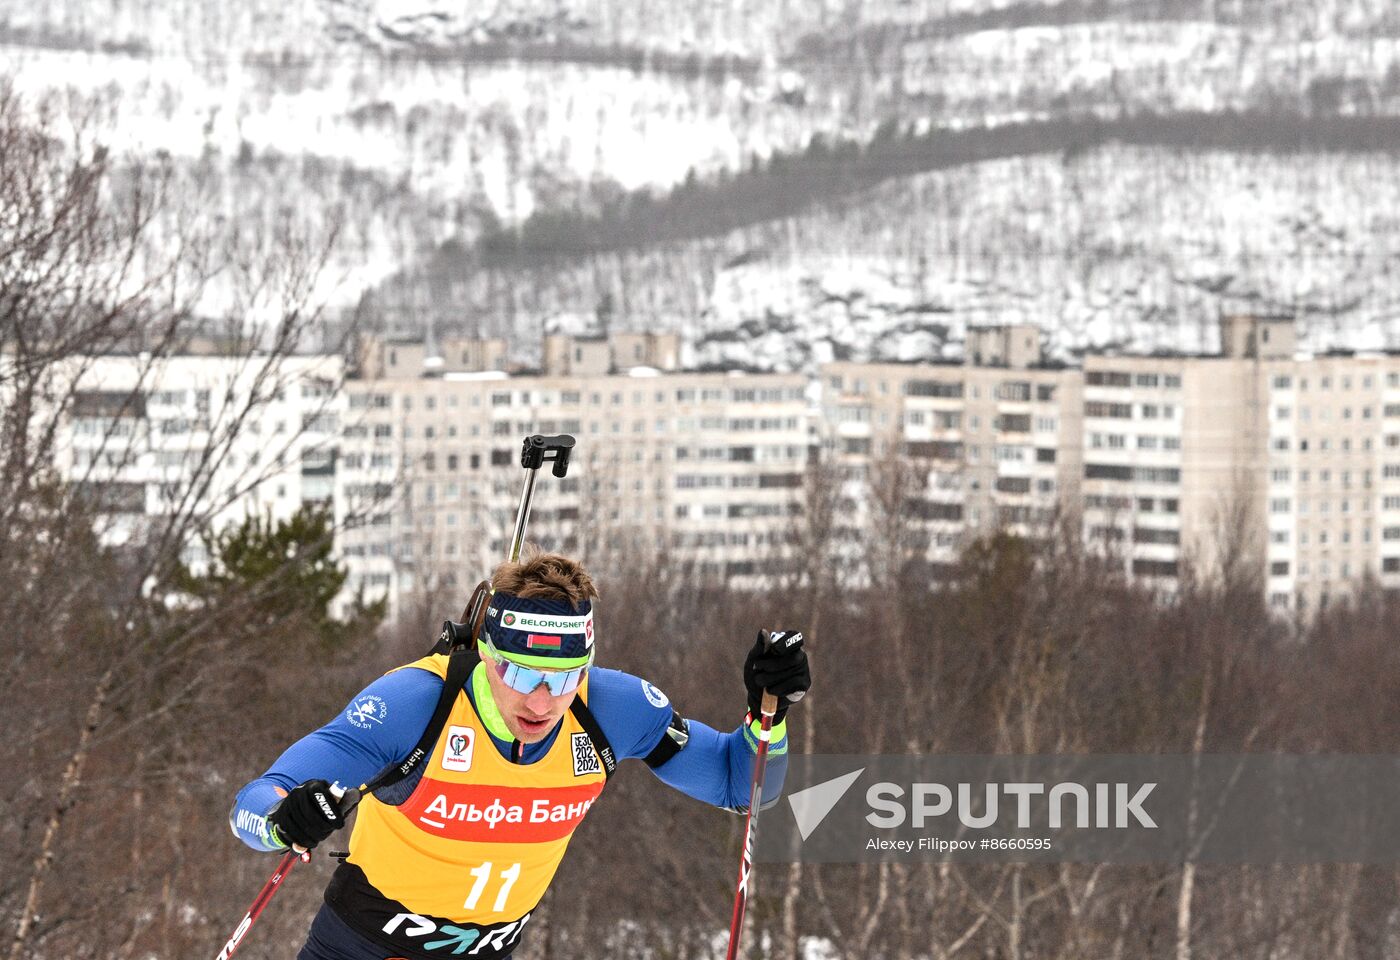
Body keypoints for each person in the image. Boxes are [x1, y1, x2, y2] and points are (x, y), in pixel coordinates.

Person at [230, 551, 811, 960]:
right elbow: (253, 806)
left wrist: (768, 714)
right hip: (365, 946)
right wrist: (286, 822)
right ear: (486, 652)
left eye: (563, 678)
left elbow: (743, 787)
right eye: (521, 672)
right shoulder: (416, 704)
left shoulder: (613, 708)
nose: (541, 700)